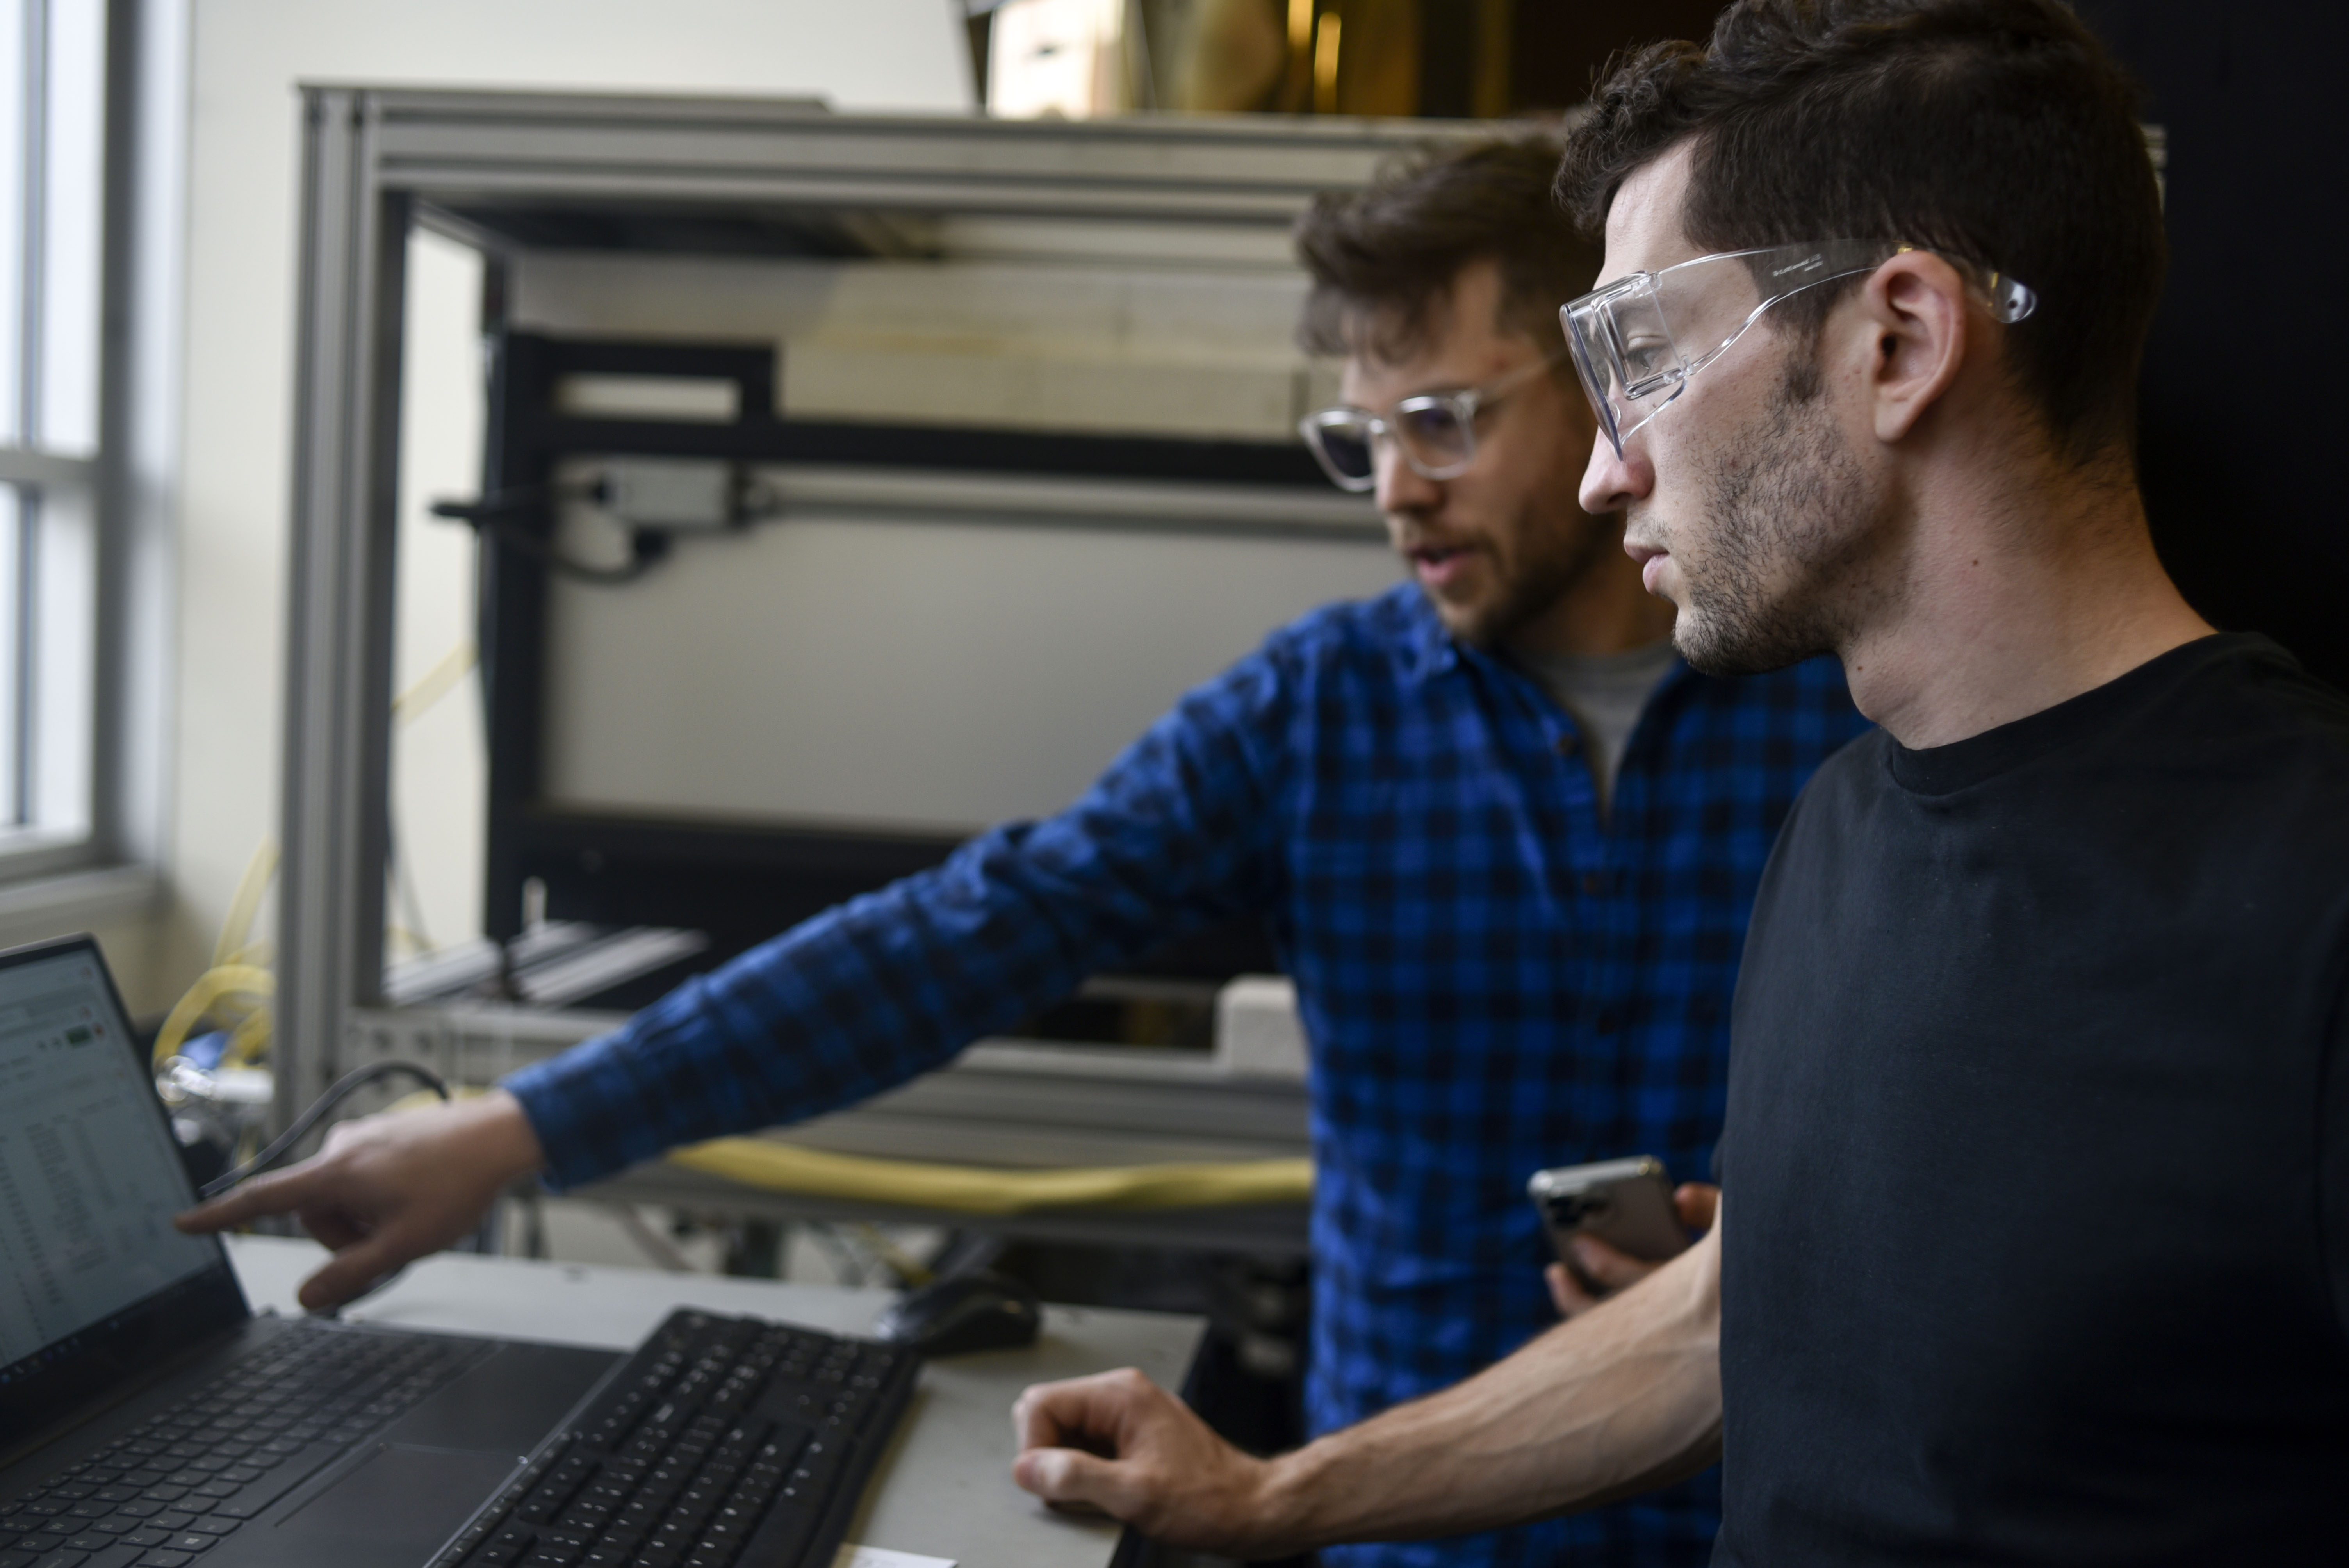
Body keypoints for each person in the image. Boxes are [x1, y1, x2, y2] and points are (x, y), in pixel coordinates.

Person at [180, 137, 1867, 1567]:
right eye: (1361, 441)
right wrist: (515, 1127)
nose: (1393, 495)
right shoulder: (1318, 711)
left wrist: (1775, 1240)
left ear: (1600, 387)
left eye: (1438, 421)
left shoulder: (1834, 704)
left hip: (1765, 1506)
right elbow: (958, 937)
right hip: (1386, 1524)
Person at [1004, 1, 2349, 1561]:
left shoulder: (2310, 902)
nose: (1600, 464)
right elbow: (1733, 1315)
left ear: (1897, 343)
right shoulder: (1844, 829)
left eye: (1640, 354)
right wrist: (1270, 1493)